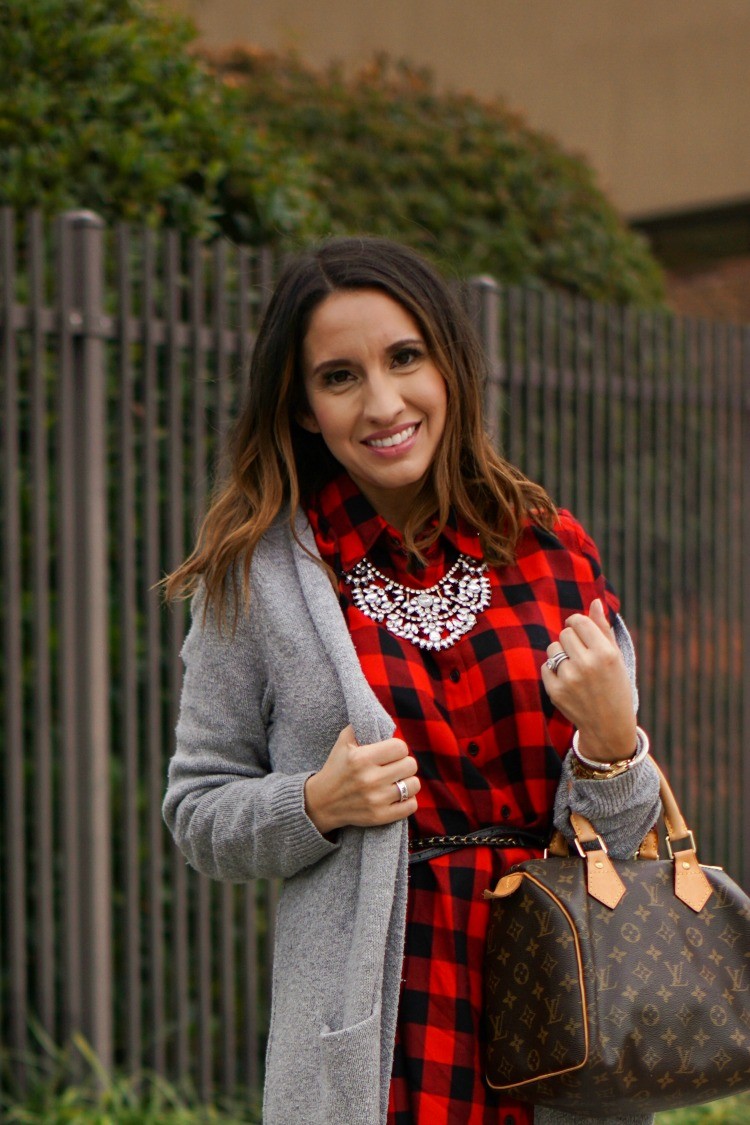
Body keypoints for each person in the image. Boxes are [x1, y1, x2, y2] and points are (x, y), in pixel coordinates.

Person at [163, 237, 661, 1125]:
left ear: (451, 366)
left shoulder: (551, 548)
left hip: (560, 1008)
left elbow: (622, 838)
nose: (383, 402)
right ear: (305, 407)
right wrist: (315, 803)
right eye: (340, 376)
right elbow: (199, 813)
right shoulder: (255, 581)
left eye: (405, 358)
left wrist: (616, 742)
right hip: (383, 1029)